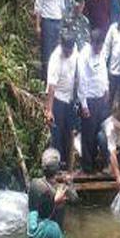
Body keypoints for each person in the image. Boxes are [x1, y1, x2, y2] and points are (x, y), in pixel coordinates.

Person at [27, 148, 78, 238]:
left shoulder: (35, 184)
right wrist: (69, 182)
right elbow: (75, 199)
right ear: (57, 169)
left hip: (36, 234)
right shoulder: (62, 190)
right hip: (55, 234)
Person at [45, 29, 79, 169]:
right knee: (57, 135)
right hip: (58, 99)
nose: (68, 53)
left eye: (70, 51)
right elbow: (51, 87)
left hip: (70, 99)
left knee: (69, 133)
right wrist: (49, 110)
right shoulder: (55, 58)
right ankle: (56, 167)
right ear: (62, 45)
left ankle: (67, 165)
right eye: (66, 51)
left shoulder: (75, 49)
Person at [78, 29, 110, 173]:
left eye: (100, 46)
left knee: (100, 133)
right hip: (89, 99)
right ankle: (87, 166)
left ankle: (98, 162)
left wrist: (107, 89)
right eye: (96, 46)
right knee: (88, 135)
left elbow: (104, 71)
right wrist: (83, 104)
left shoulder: (101, 52)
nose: (98, 49)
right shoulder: (84, 55)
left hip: (100, 99)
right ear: (92, 43)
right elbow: (82, 81)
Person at [35, 0, 65, 81]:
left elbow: (62, 7)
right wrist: (38, 26)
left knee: (57, 51)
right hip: (47, 22)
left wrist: (62, 24)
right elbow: (38, 8)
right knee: (47, 51)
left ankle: (54, 80)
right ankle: (45, 80)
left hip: (58, 22)